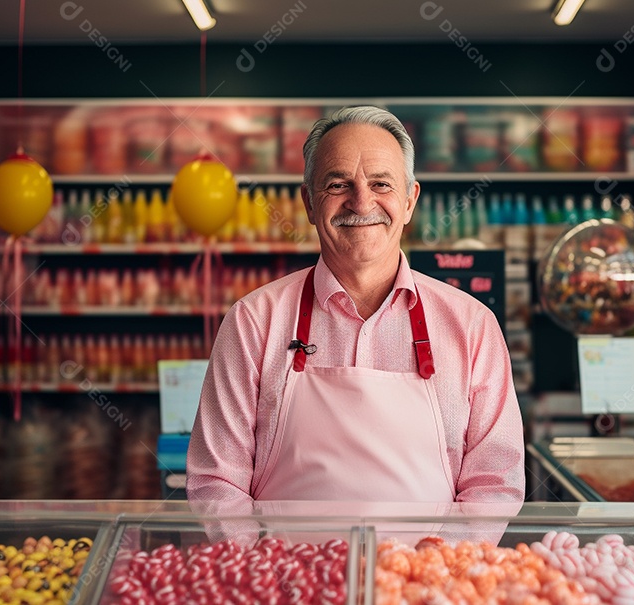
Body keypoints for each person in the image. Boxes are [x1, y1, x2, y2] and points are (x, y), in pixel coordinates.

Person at [187, 105, 525, 504]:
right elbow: (216, 482)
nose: (361, 203)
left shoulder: (472, 326)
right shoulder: (253, 322)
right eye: (337, 184)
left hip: (427, 564)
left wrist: (435, 565)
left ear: (410, 201)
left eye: (381, 184)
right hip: (285, 564)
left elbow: (495, 483)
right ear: (309, 203)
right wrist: (269, 567)